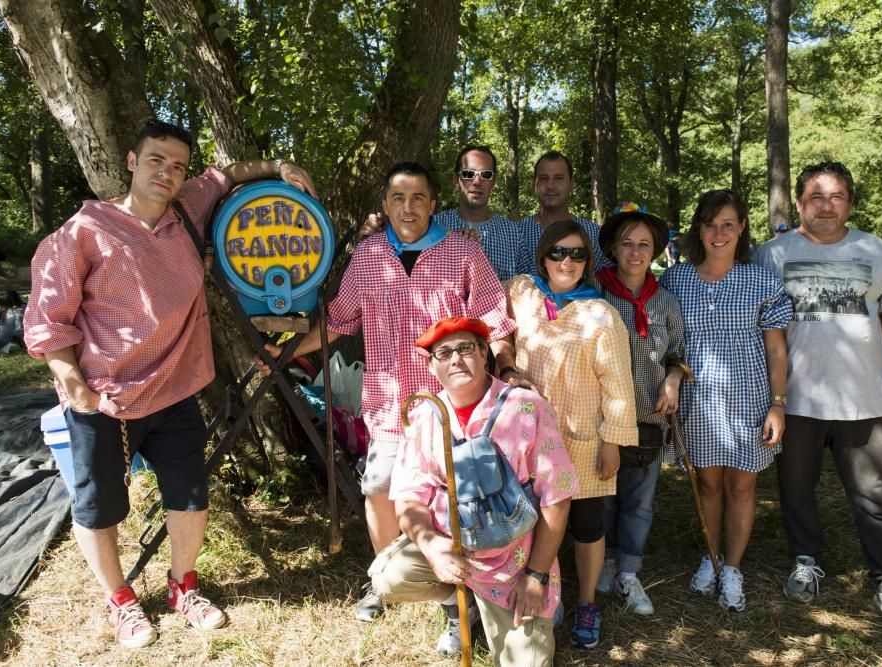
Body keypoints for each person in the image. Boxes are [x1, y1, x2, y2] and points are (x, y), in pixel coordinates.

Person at [23, 119, 318, 649]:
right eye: (157, 160)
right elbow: (49, 317)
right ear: (133, 161)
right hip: (105, 397)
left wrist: (278, 168)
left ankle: (184, 587)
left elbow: (226, 175)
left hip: (177, 388)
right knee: (99, 504)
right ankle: (121, 600)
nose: (168, 172)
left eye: (177, 165)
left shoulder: (185, 208)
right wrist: (75, 385)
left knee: (189, 495)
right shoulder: (84, 230)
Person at [256, 162, 520, 647]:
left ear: (433, 202)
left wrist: (504, 372)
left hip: (449, 408)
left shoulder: (461, 251)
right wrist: (286, 353)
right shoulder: (369, 255)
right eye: (398, 197)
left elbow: (495, 319)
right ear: (385, 204)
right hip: (387, 407)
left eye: (418, 197)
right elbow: (338, 321)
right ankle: (387, 578)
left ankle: (454, 604)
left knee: (450, 503)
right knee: (379, 489)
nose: (408, 207)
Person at [753, 161, 882, 638]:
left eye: (836, 196)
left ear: (849, 202)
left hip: (864, 401)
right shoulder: (771, 254)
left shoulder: (874, 250)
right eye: (816, 196)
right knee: (796, 490)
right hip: (795, 400)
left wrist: (864, 340)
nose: (826, 205)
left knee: (875, 496)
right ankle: (806, 561)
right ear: (798, 203)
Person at [370, 317, 576, 667]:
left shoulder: (526, 407)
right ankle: (458, 596)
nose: (455, 359)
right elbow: (407, 496)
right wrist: (434, 550)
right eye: (443, 352)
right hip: (454, 549)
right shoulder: (425, 415)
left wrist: (536, 577)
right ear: (432, 365)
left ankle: (520, 607)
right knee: (388, 577)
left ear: (484, 353)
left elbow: (558, 497)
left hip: (513, 564)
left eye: (466, 348)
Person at [505, 220, 637, 649]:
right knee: (530, 518)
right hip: (528, 437)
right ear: (543, 256)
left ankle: (586, 601)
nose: (567, 261)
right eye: (558, 252)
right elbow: (485, 313)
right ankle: (542, 590)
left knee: (586, 522)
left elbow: (618, 384)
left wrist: (613, 440)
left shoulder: (601, 314)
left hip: (582, 436)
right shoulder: (523, 293)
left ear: (589, 261)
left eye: (577, 254)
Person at [659, 189, 791, 612]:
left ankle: (732, 567)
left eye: (728, 225)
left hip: (749, 397)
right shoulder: (676, 279)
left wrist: (778, 403)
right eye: (710, 224)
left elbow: (776, 349)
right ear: (699, 228)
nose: (718, 233)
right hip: (697, 399)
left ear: (742, 228)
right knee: (707, 483)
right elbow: (667, 339)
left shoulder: (761, 281)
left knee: (742, 484)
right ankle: (711, 558)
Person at [593, 202, 687, 616]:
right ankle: (605, 562)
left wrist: (674, 377)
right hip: (603, 415)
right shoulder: (594, 291)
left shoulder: (665, 300)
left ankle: (630, 570)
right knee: (604, 496)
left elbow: (679, 351)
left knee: (639, 500)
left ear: (655, 250)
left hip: (649, 416)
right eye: (627, 243)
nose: (635, 252)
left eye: (644, 244)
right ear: (614, 247)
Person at [433, 145, 519, 280]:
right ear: (456, 181)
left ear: (494, 182)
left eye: (486, 175)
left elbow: (528, 288)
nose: (477, 181)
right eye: (468, 174)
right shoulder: (434, 227)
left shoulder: (514, 234)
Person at [515, 151, 607, 275]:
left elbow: (607, 284)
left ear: (571, 183)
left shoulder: (594, 235)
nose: (550, 185)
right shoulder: (517, 233)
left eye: (559, 178)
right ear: (534, 183)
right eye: (543, 178)